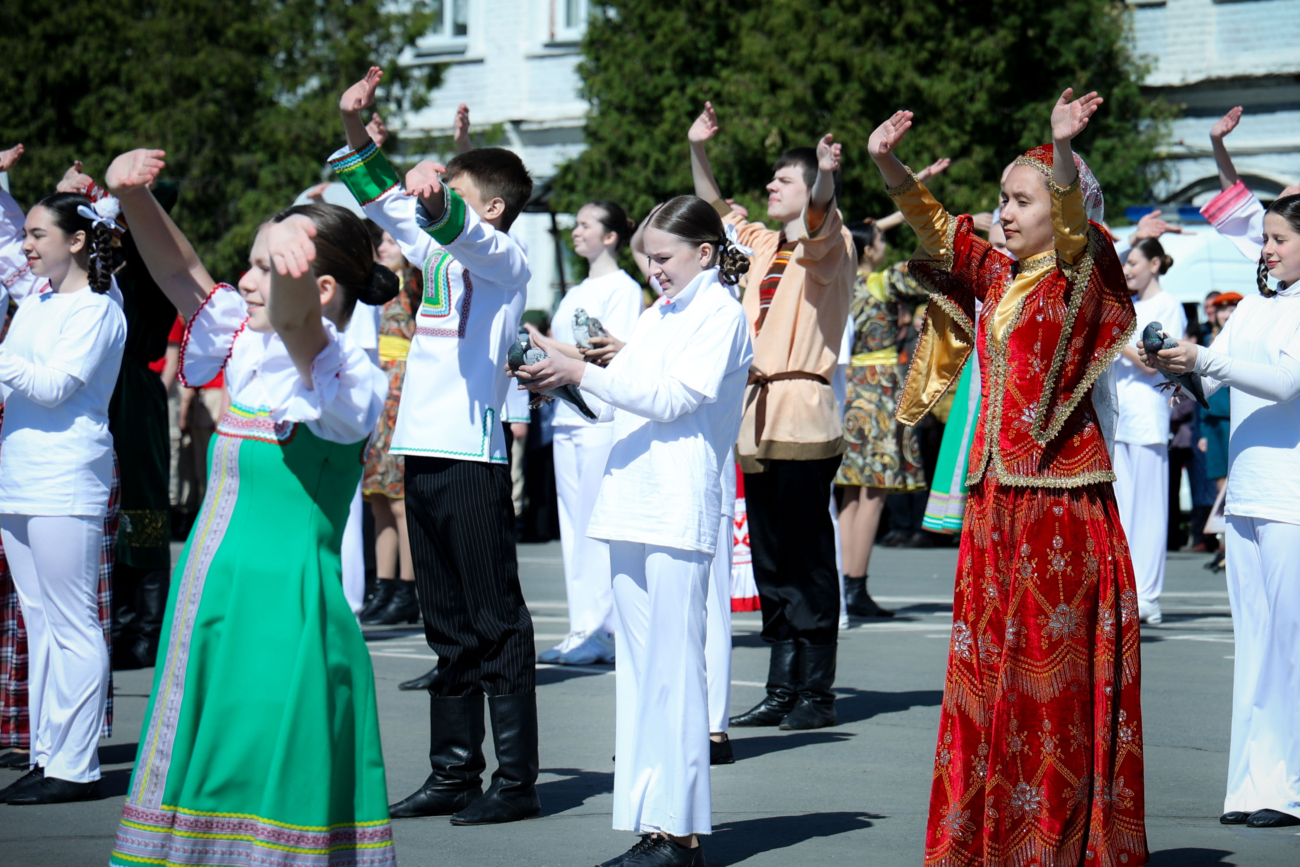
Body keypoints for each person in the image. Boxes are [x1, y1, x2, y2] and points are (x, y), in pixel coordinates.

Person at [870, 91, 1148, 864]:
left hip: (1059, 504)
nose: (1004, 210)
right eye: (1001, 198)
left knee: (1047, 689)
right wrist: (886, 163)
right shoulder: (1001, 277)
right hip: (996, 501)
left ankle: (1049, 844)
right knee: (987, 677)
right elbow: (938, 229)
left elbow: (1069, 228)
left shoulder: (1077, 271)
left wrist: (1060, 151)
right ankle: (986, 837)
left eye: (1018, 198)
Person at [102, 148, 393, 862]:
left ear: (320, 287)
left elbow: (301, 329)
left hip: (288, 613)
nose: (245, 279)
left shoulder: (344, 377)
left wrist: (290, 280)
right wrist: (130, 193)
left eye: (266, 267)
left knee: (271, 779)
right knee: (200, 771)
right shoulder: (240, 339)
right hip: (211, 598)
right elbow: (179, 272)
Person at [517, 194, 752, 867]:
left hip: (677, 503)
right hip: (630, 497)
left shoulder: (721, 314)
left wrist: (581, 369)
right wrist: (555, 378)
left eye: (664, 256)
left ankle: (680, 833)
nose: (654, 268)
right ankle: (654, 824)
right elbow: (616, 394)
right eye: (648, 256)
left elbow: (674, 397)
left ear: (705, 252)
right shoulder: (659, 314)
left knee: (674, 673)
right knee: (641, 674)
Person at [331, 67, 539, 825]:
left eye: (452, 190)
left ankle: (516, 781)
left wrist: (437, 195)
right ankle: (453, 772)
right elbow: (382, 199)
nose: (431, 201)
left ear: (489, 205)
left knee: (496, 618)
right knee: (444, 620)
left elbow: (452, 223)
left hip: (474, 457)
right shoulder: (440, 252)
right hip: (422, 449)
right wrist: (356, 127)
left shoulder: (505, 260)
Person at [686, 102, 854, 733]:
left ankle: (816, 688)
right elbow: (713, 211)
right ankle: (782, 684)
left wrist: (827, 175)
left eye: (783, 180)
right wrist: (697, 149)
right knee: (771, 554)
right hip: (756, 415)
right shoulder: (761, 245)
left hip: (802, 407)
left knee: (807, 551)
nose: (769, 188)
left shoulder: (826, 246)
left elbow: (823, 214)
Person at [1147, 193, 1300, 829]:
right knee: (1258, 648)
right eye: (1265, 237)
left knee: (1292, 652)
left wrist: (1204, 357)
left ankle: (1288, 788)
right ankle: (1249, 786)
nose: (1266, 249)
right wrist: (1162, 355)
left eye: (1279, 239)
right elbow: (1206, 382)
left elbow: (1286, 382)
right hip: (1247, 498)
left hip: (1292, 502)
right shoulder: (1256, 309)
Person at [0, 189, 127, 806]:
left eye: (37, 235)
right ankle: (49, 755)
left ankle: (76, 767)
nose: (26, 245)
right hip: (18, 476)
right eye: (25, 234)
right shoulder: (38, 298)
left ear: (76, 241)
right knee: (39, 620)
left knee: (72, 622)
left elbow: (54, 388)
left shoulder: (99, 307)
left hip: (66, 477)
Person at [538, 200, 642, 666]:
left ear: (610, 236)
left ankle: (603, 628)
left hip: (600, 416)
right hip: (566, 416)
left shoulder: (623, 289)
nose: (577, 232)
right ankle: (584, 626)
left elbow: (601, 351)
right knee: (572, 526)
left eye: (585, 225)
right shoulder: (575, 290)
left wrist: (540, 343)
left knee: (595, 525)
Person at [835, 220, 931, 617]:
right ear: (868, 250)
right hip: (878, 388)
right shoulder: (881, 282)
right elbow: (929, 270)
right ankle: (856, 584)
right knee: (873, 491)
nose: (884, 244)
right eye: (879, 240)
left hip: (848, 388)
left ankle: (843, 580)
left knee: (850, 492)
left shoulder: (839, 285)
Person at [1113, 237, 1186, 624]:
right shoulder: (1132, 307)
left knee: (1149, 512)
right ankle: (1125, 591)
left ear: (1155, 264)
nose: (1127, 271)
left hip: (1149, 419)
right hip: (1120, 418)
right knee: (1123, 511)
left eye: (1134, 264)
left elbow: (1152, 361)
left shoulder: (1167, 306)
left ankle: (1149, 596)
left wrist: (1116, 330)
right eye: (1125, 265)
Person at [360, 226, 421, 625]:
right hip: (376, 388)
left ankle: (409, 588)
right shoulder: (372, 288)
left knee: (399, 499)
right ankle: (384, 585)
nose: (383, 246)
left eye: (391, 240)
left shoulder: (411, 284)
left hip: (401, 387)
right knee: (377, 496)